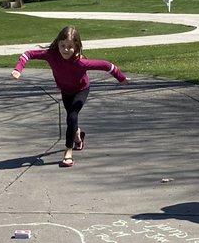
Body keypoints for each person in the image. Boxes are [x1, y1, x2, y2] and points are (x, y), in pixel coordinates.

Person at [10, 25, 127, 167]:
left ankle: (68, 151)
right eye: (62, 45)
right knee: (73, 120)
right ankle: (78, 137)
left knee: (72, 116)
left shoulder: (81, 62)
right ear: (58, 44)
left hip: (81, 90)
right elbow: (28, 54)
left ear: (76, 47)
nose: (66, 49)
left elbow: (107, 65)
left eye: (70, 46)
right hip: (65, 92)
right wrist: (18, 69)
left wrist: (121, 78)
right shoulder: (51, 55)